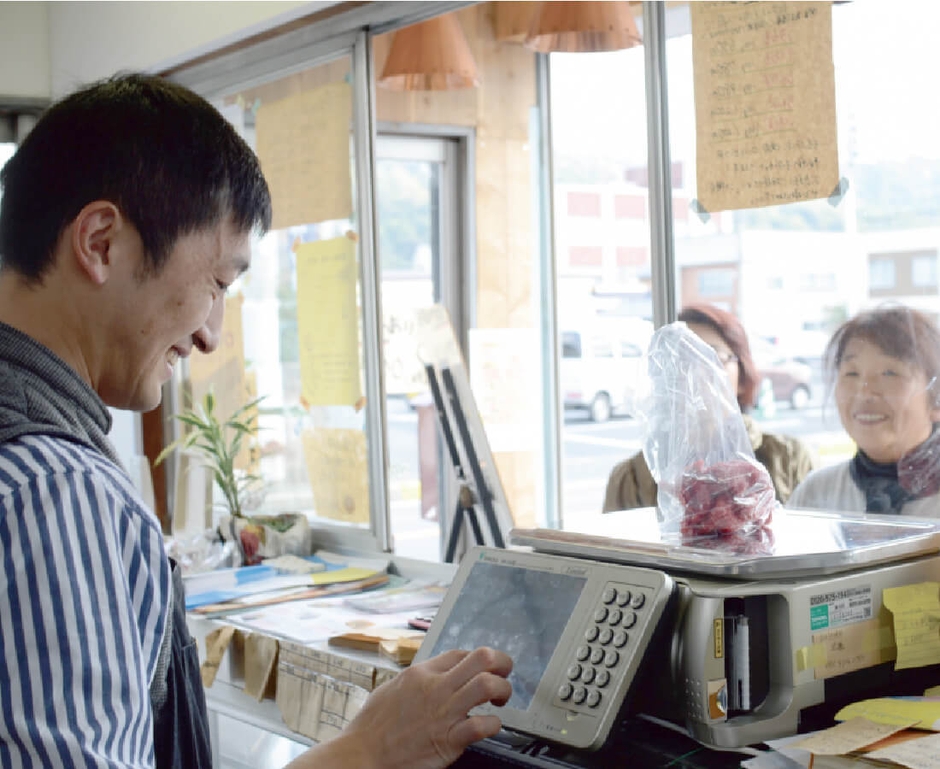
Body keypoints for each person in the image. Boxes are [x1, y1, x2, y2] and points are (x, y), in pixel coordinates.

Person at [0, 73, 511, 768]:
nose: (211, 333)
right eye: (217, 283)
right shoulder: (57, 492)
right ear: (100, 242)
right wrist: (365, 750)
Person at [602, 304, 816, 513]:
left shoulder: (788, 459)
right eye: (681, 360)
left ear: (742, 375)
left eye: (711, 357)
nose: (694, 373)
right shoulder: (632, 478)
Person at [788, 306, 940, 516]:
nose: (864, 392)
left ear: (936, 400)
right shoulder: (815, 495)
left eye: (889, 373)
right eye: (851, 373)